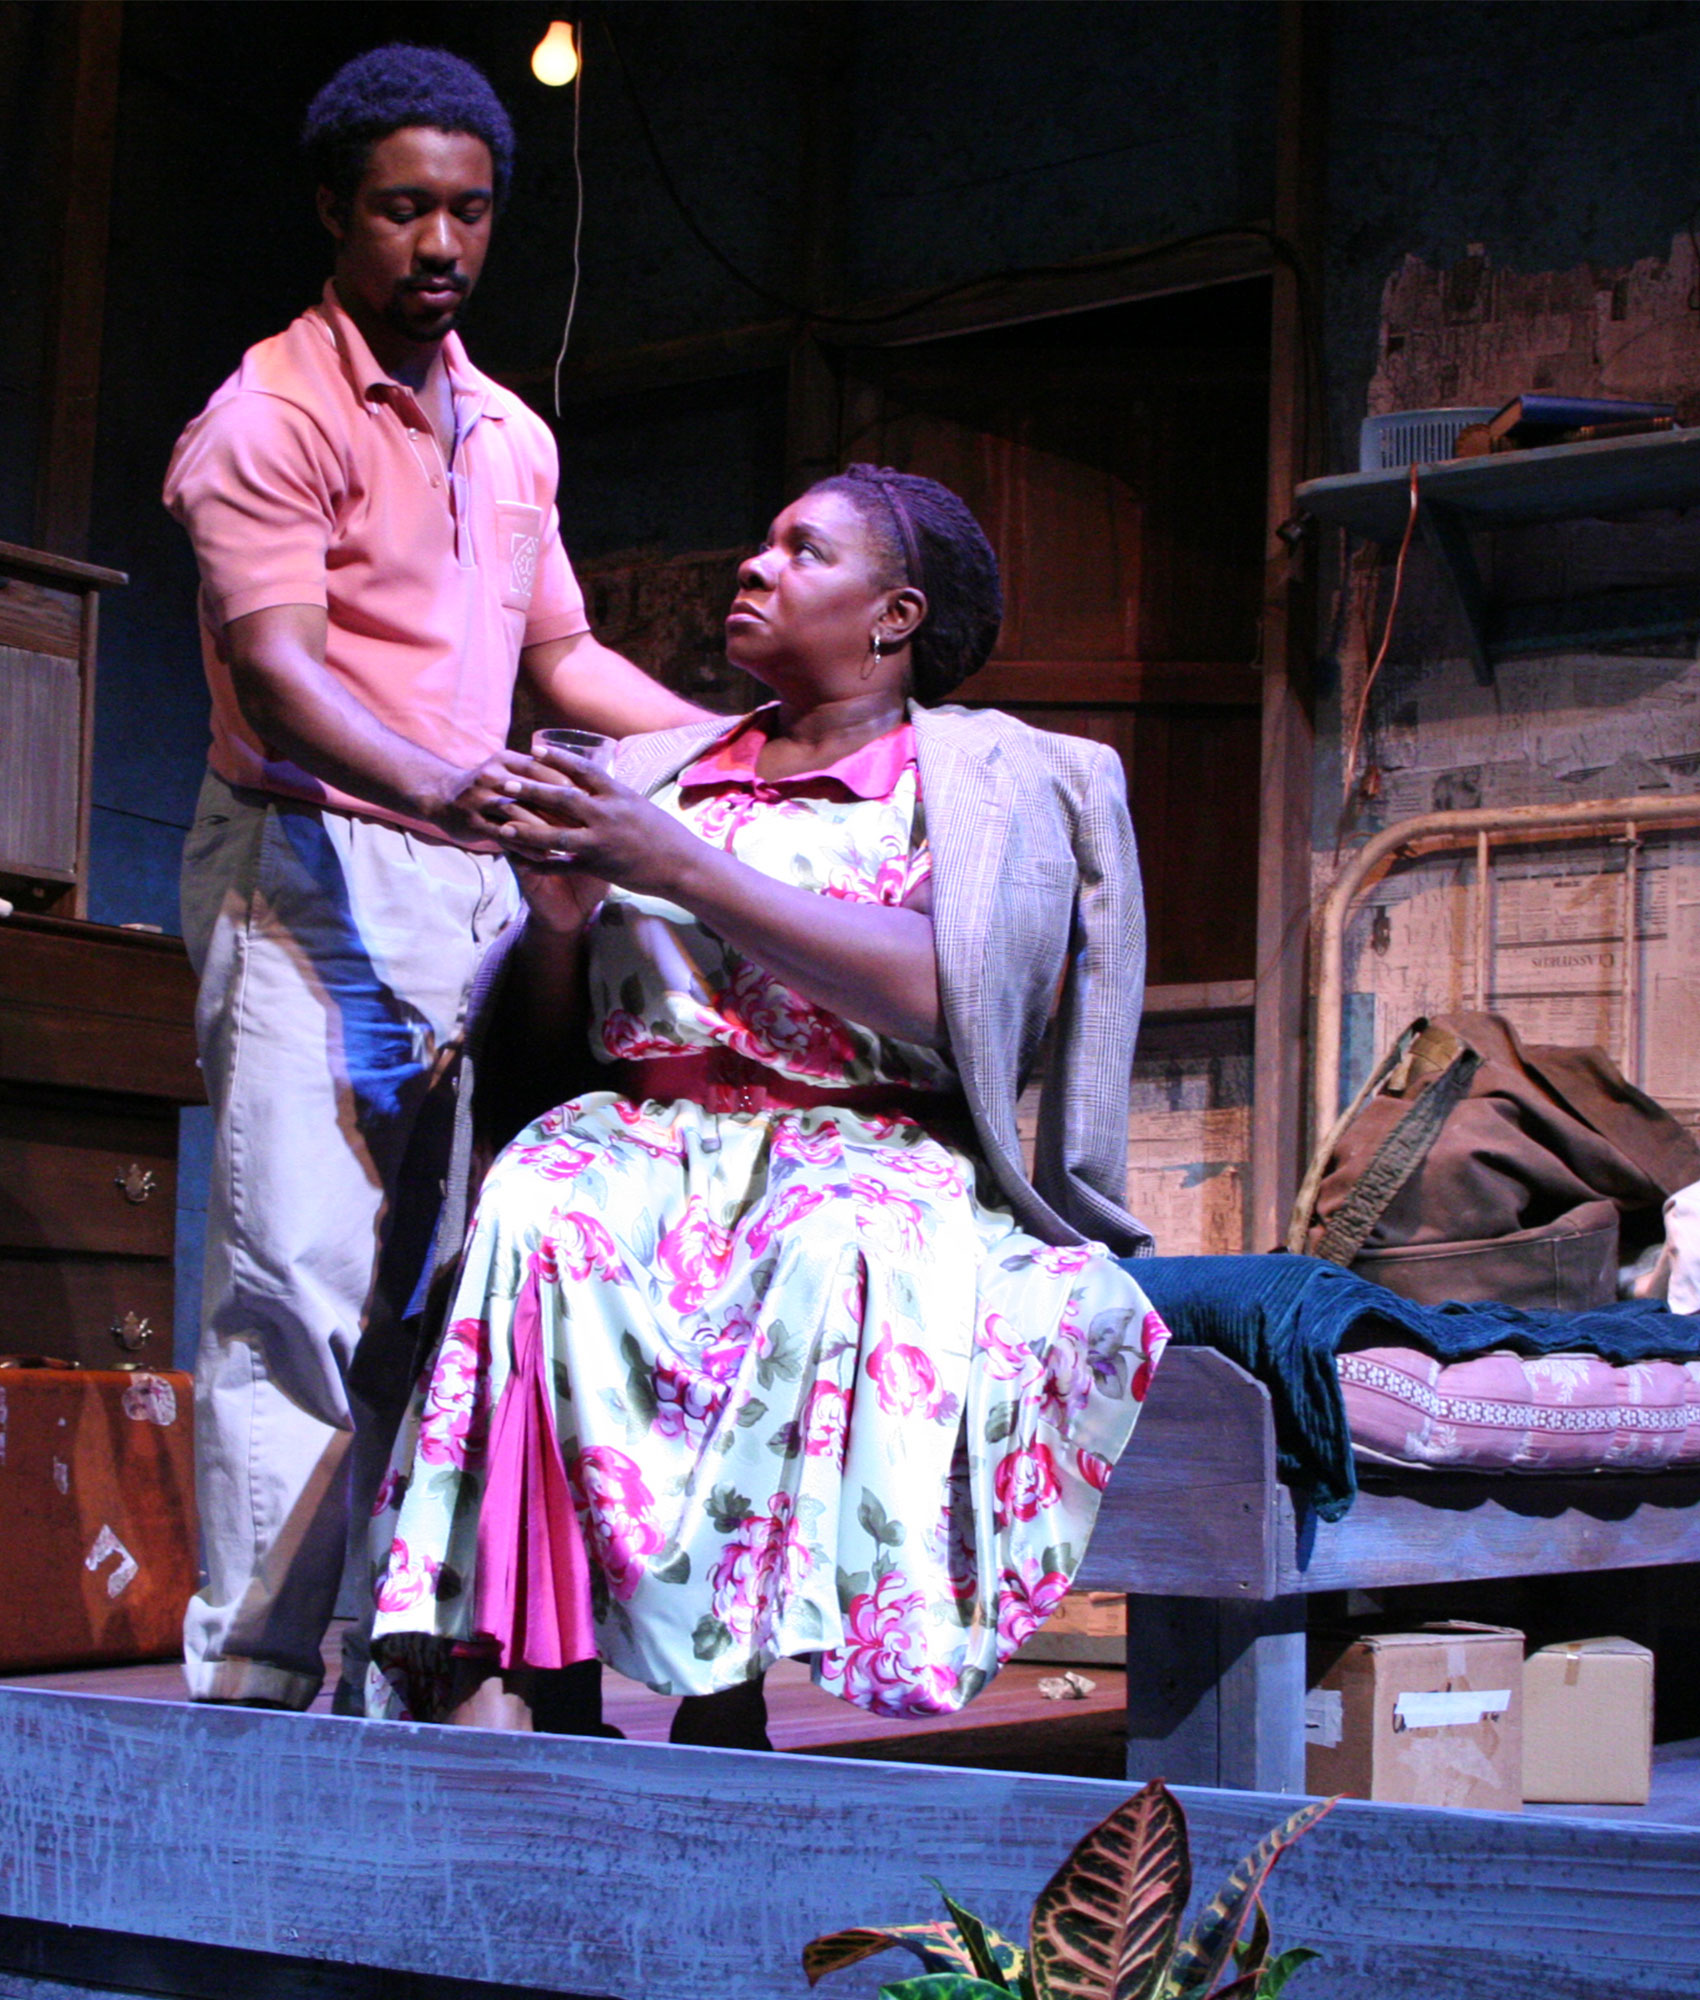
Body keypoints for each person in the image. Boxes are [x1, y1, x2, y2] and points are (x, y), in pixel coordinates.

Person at [364, 465, 1166, 1744]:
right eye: (766, 537)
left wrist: (671, 862)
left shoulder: (978, 777)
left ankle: (722, 1698)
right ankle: (546, 1673)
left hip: (860, 1135)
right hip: (646, 1127)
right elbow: (545, 1046)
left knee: (827, 1244)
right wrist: (561, 923)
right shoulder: (655, 771)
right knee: (541, 1201)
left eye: (803, 550)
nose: (755, 563)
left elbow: (952, 991)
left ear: (893, 615)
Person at [163, 45, 702, 1712]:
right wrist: (454, 789)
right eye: (404, 208)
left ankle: (403, 1671)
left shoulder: (511, 435)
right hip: (310, 868)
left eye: (467, 209)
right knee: (301, 1291)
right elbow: (284, 677)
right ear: (337, 211)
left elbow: (568, 655)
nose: (440, 243)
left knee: (456, 1298)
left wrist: (748, 748)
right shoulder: (268, 419)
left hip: (466, 886)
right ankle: (251, 1693)